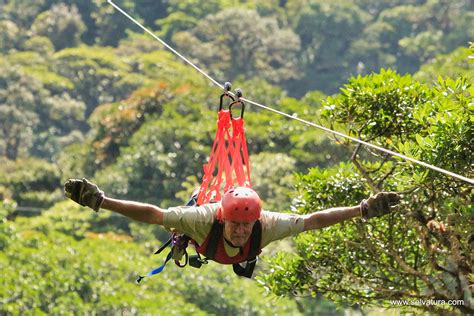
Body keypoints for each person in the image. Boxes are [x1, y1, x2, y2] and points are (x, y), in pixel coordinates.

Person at [64, 178, 400, 278]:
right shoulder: (205, 218)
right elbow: (154, 214)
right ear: (224, 219)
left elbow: (313, 221)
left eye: (246, 226)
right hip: (201, 232)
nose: (241, 231)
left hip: (222, 246)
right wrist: (101, 201)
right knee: (180, 212)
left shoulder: (265, 225)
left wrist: (363, 210)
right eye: (236, 225)